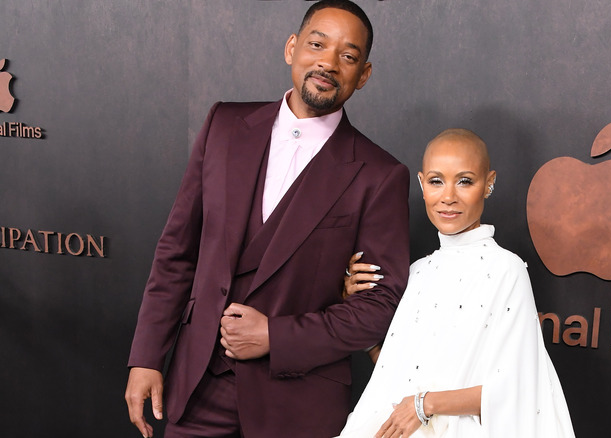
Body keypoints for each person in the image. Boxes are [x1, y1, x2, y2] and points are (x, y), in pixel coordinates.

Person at [124, 1, 410, 437]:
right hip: (197, 385)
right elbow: (177, 252)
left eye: (348, 56)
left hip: (298, 405)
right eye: (317, 44)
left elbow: (378, 307)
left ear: (364, 74)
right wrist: (146, 355)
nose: (328, 63)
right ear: (292, 48)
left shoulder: (379, 174)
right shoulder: (223, 124)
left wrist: (277, 336)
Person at [337, 129, 575, 437]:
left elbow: (516, 389)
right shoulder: (418, 272)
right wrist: (358, 315)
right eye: (436, 181)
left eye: (464, 181)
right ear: (422, 184)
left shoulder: (506, 269)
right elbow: (399, 375)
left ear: (488, 183)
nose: (448, 196)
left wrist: (424, 405)